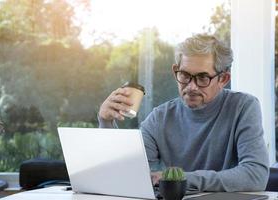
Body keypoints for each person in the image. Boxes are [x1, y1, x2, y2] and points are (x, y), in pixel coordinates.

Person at [98, 34, 269, 192]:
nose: (191, 87)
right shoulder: (160, 118)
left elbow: (255, 175)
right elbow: (128, 174)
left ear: (223, 79)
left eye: (203, 78)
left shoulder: (243, 107)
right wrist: (105, 122)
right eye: (185, 75)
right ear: (175, 71)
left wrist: (180, 179)